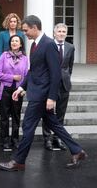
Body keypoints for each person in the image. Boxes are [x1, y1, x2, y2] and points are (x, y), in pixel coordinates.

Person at [0, 15, 87, 172]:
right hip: (37, 92)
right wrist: (21, 87)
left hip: (42, 95)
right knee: (54, 124)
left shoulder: (48, 44)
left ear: (34, 27)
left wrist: (52, 97)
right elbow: (34, 71)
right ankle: (77, 151)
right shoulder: (34, 46)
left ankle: (19, 161)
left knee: (28, 125)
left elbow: (56, 73)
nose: (24, 33)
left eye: (26, 30)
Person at [42, 23, 75, 151]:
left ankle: (58, 138)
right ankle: (47, 139)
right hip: (50, 84)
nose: (61, 33)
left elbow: (69, 66)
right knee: (48, 112)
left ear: (66, 33)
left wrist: (65, 77)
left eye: (63, 31)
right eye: (59, 31)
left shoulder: (70, 47)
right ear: (54, 33)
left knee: (61, 113)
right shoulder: (48, 46)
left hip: (64, 85)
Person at [0, 35, 28, 151]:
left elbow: (26, 75)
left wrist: (23, 89)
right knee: (4, 116)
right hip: (6, 89)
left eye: (16, 41)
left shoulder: (25, 58)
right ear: (10, 44)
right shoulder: (4, 56)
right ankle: (4, 140)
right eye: (12, 41)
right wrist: (12, 77)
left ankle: (15, 139)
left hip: (18, 90)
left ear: (20, 44)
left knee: (16, 116)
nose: (14, 43)